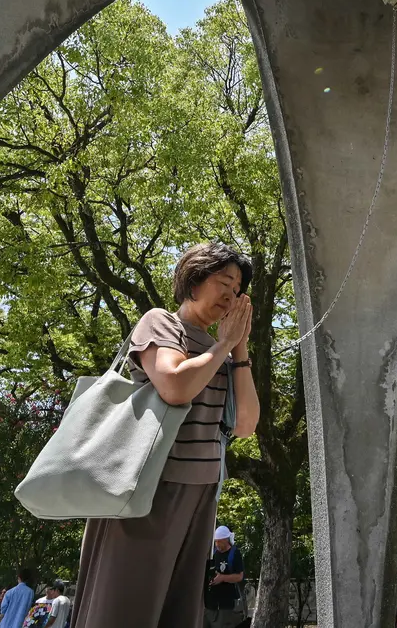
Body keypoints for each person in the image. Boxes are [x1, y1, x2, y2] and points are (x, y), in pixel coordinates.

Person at [72, 243, 260, 628]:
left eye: (237, 289)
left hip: (203, 491)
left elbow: (245, 425)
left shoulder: (223, 354)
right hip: (150, 486)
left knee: (179, 606)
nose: (231, 295)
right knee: (126, 602)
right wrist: (224, 344)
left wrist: (238, 348)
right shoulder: (161, 323)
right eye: (224, 282)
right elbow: (175, 386)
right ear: (194, 280)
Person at [204, 526, 246, 628]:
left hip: (226, 605)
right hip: (210, 604)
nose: (217, 544)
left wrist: (222, 578)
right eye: (216, 541)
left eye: (220, 541)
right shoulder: (214, 553)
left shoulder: (234, 554)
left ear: (226, 540)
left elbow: (239, 576)